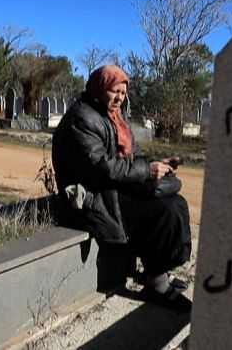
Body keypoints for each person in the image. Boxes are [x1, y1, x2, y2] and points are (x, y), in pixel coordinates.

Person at [51, 64, 192, 311]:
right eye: (115, 91)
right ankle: (155, 281)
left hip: (114, 189)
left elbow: (132, 153)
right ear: (99, 88)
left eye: (123, 93)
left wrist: (156, 163)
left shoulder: (113, 115)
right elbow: (102, 168)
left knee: (176, 203)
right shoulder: (81, 119)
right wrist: (147, 172)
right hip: (94, 196)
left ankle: (158, 268)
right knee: (162, 211)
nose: (120, 98)